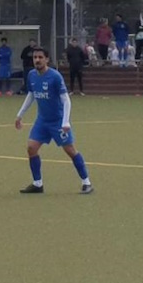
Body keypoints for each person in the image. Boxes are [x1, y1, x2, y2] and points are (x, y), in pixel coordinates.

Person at [15, 45, 93, 194]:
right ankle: (37, 184)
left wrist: (65, 121)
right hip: (42, 121)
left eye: (40, 57)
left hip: (57, 121)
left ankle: (87, 182)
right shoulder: (31, 75)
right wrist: (20, 115)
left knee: (70, 150)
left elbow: (66, 100)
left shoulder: (55, 76)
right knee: (31, 148)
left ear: (47, 59)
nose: (37, 60)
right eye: (35, 57)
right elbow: (31, 95)